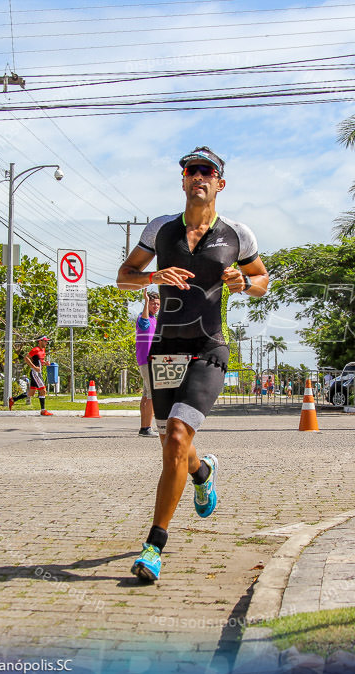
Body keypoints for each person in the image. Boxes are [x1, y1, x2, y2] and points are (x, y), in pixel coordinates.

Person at [116, 146, 268, 582]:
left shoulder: (238, 234)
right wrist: (152, 278)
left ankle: (153, 546)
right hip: (165, 346)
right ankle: (203, 472)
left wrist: (244, 282)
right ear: (183, 180)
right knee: (174, 447)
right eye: (191, 170)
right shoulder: (160, 229)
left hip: (208, 346)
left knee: (179, 434)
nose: (198, 176)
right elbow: (124, 274)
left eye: (207, 171)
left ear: (220, 183)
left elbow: (263, 280)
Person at [136, 290, 161, 436]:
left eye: (158, 304)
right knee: (153, 395)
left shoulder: (154, 320)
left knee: (146, 395)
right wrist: (146, 301)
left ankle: (144, 427)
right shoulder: (143, 318)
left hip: (150, 360)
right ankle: (147, 428)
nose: (156, 306)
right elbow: (144, 322)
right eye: (153, 303)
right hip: (147, 360)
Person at [12, 336, 52, 416]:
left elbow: (40, 361)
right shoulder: (35, 349)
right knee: (43, 391)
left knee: (31, 393)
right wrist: (34, 367)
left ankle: (13, 400)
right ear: (40, 341)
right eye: (45, 341)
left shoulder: (43, 350)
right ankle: (43, 410)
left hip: (39, 372)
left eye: (47, 341)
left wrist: (45, 363)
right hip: (35, 373)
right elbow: (26, 358)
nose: (46, 343)